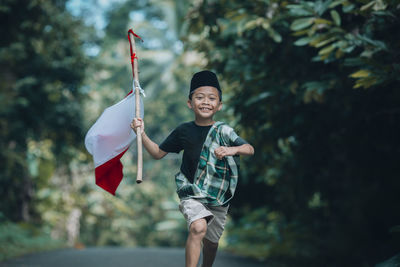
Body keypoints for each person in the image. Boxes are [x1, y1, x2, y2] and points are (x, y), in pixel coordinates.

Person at [131, 70, 254, 267]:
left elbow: (249, 149)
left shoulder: (224, 131)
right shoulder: (183, 131)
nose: (206, 102)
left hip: (218, 195)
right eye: (200, 97)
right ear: (190, 103)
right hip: (191, 191)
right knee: (198, 227)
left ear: (219, 105)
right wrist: (141, 132)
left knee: (212, 244)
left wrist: (231, 150)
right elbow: (157, 153)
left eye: (212, 98)